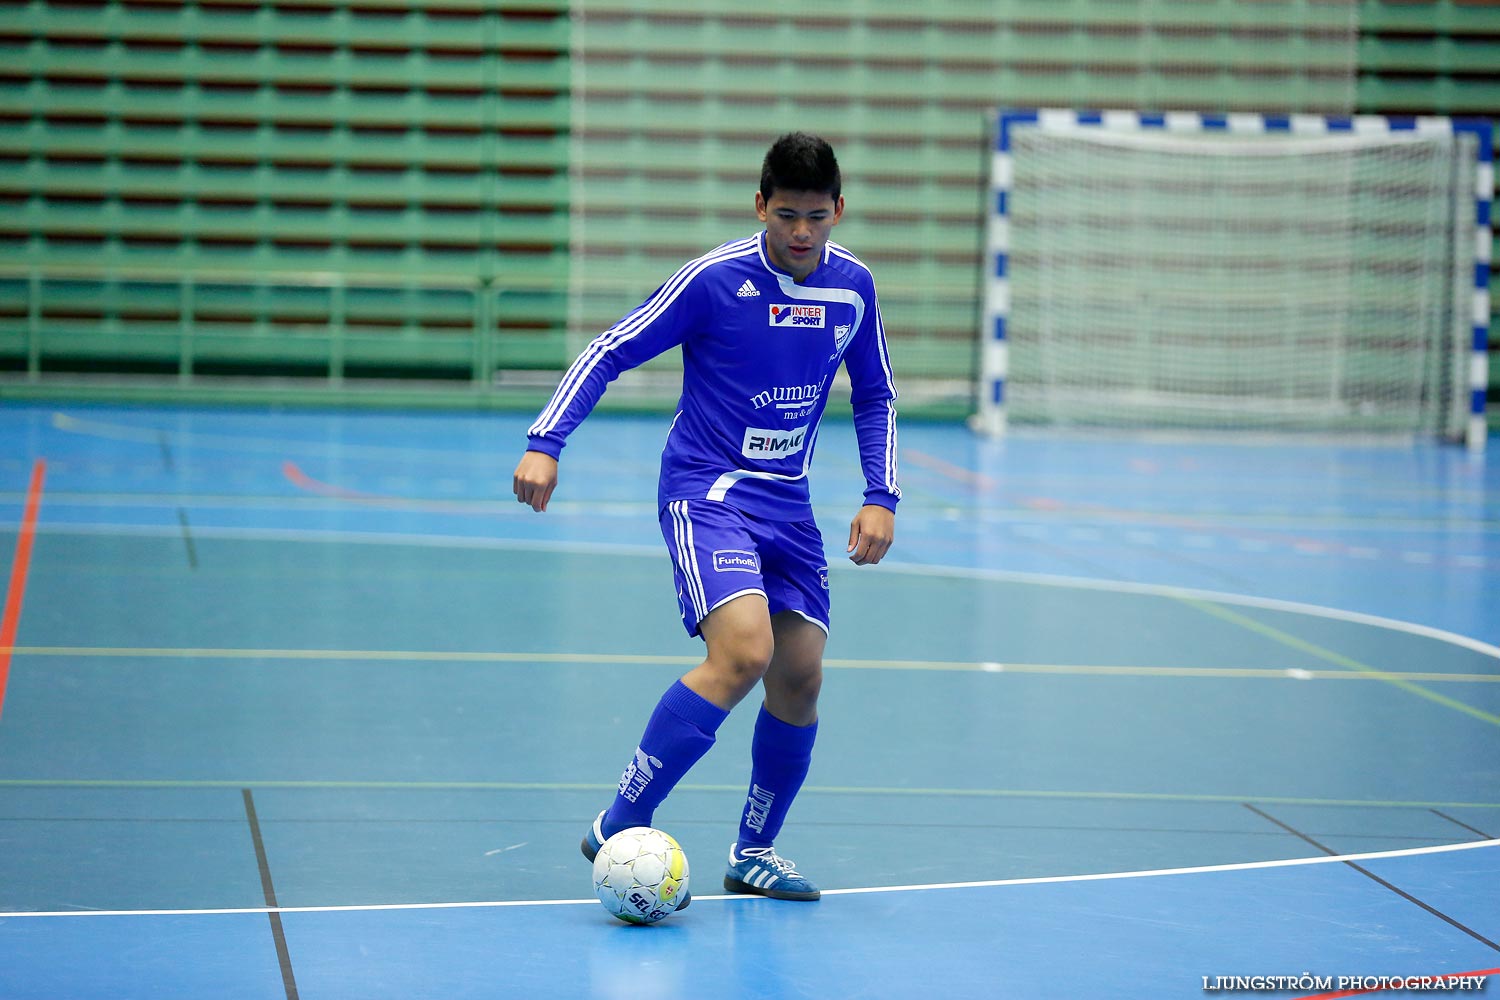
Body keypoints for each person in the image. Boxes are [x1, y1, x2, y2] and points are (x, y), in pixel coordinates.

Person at [512, 131, 899, 904]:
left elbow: (877, 395)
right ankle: (619, 821)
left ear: (838, 212)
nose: (799, 232)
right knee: (745, 652)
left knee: (799, 676)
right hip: (708, 490)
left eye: (815, 217)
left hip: (789, 504)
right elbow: (611, 348)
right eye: (785, 214)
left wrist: (879, 495)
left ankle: (754, 853)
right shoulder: (715, 281)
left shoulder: (854, 288)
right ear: (760, 205)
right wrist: (546, 442)